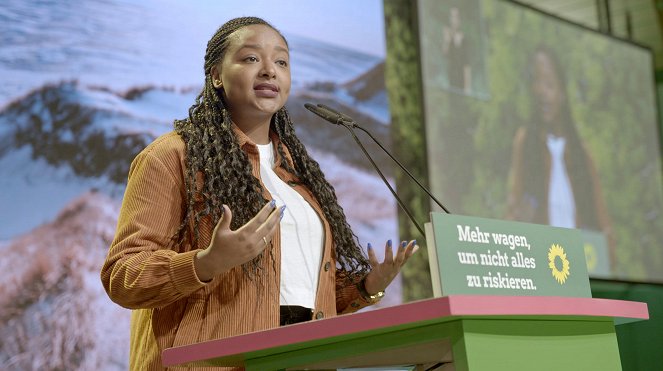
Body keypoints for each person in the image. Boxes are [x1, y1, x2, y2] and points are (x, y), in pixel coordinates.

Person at [100, 17, 417, 370]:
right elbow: (123, 275)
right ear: (216, 75)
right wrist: (206, 263)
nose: (269, 70)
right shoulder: (172, 156)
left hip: (305, 358)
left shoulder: (297, 173)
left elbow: (297, 298)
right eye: (251, 59)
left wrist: (366, 287)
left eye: (281, 62)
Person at [507, 45, 615, 266]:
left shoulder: (582, 153)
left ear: (562, 93)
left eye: (549, 84)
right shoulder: (525, 141)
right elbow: (515, 207)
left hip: (582, 265)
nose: (541, 92)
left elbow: (603, 222)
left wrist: (609, 259)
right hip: (542, 267)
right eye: (536, 83)